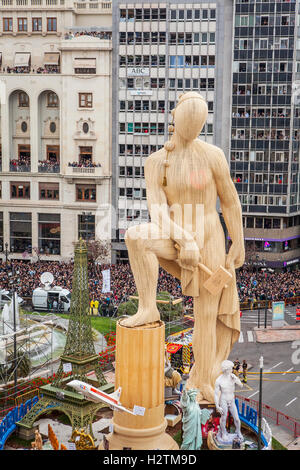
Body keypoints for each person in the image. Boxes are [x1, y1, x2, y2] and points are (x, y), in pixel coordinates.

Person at [120, 92, 245, 403]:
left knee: (205, 314)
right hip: (176, 233)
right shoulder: (156, 162)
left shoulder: (213, 155)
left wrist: (238, 241)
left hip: (211, 237)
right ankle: (148, 306)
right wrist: (182, 237)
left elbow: (230, 201)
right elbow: (157, 209)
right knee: (136, 236)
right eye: (187, 121)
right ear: (174, 118)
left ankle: (203, 378)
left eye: (198, 124)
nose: (192, 129)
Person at [214, 360, 244, 444]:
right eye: (230, 368)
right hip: (223, 400)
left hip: (232, 400)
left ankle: (238, 431)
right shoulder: (219, 380)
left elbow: (241, 385)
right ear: (226, 369)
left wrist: (236, 379)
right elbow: (216, 394)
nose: (232, 370)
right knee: (224, 418)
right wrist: (217, 406)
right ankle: (223, 433)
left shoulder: (232, 376)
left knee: (237, 419)